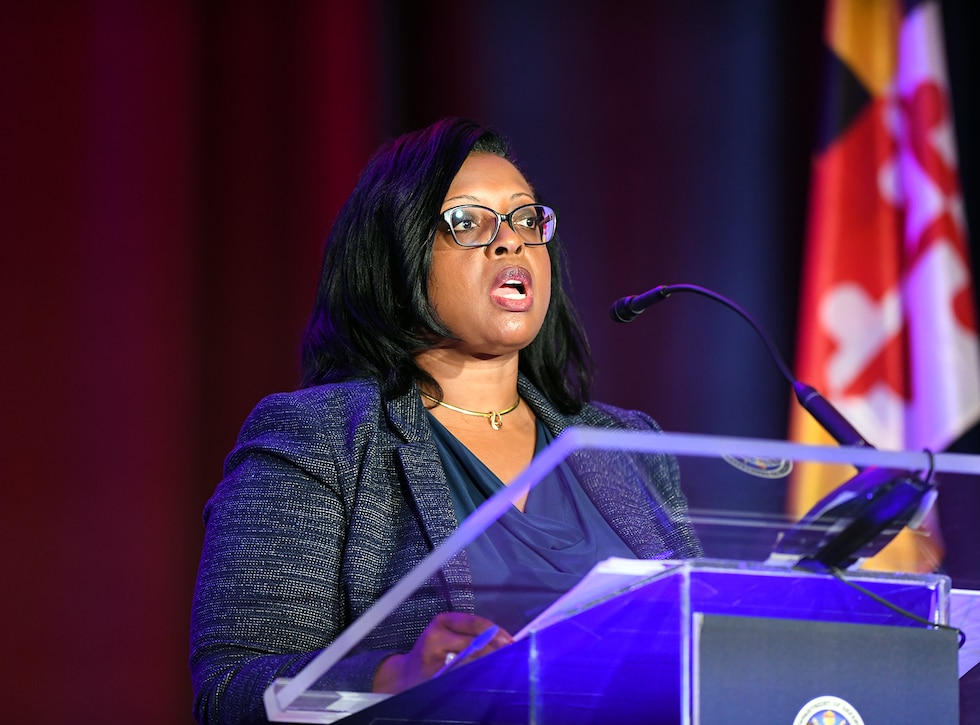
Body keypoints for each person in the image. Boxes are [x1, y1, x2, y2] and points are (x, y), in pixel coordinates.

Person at [189, 117, 702, 725]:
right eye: (468, 222)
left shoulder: (628, 444)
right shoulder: (322, 437)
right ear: (400, 253)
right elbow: (230, 690)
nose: (511, 242)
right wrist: (396, 677)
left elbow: (703, 633)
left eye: (526, 219)